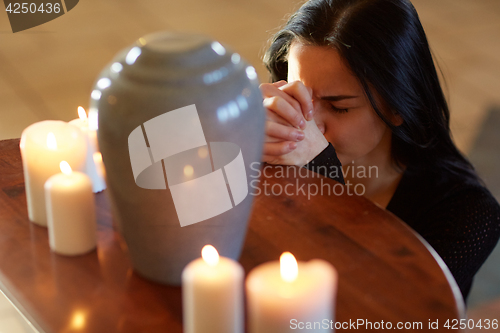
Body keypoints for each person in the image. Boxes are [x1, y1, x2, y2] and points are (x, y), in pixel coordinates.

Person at [260, 0, 500, 301]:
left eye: (338, 107)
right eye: (300, 96)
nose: (309, 123)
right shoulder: (274, 155)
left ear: (399, 105)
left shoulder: (467, 213)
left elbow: (369, 307)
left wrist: (319, 173)